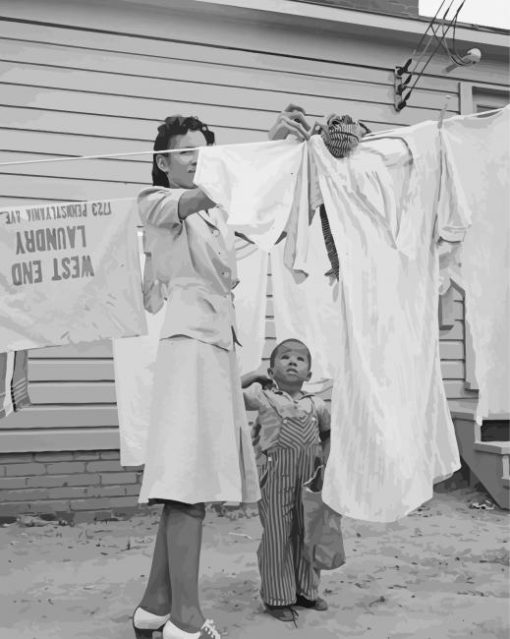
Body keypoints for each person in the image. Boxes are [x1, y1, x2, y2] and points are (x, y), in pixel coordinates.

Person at [132, 115, 261, 639]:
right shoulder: (157, 202)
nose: (198, 161)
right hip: (189, 349)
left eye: (206, 153)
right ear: (164, 160)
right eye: (189, 153)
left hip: (214, 348)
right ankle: (186, 618)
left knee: (193, 481)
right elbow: (196, 198)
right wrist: (262, 148)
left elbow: (231, 197)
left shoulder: (218, 218)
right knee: (189, 481)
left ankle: (155, 606)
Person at [241, 338, 331, 623]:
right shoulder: (262, 396)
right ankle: (276, 596)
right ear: (271, 371)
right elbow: (224, 391)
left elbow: (328, 435)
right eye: (285, 357)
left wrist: (325, 468)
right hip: (274, 476)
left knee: (308, 532)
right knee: (278, 534)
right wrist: (251, 375)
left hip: (309, 477)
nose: (293, 362)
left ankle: (306, 590)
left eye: (300, 359)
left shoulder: (316, 403)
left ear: (309, 374)